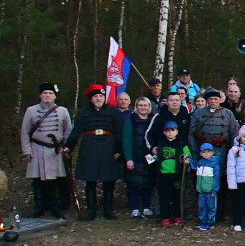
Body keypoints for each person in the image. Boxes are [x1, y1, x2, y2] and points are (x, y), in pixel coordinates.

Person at [64, 84, 123, 220]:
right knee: (90, 180)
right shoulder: (83, 112)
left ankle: (108, 210)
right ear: (91, 98)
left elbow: (119, 132)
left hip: (108, 145)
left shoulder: (113, 112)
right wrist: (69, 147)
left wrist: (118, 150)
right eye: (96, 96)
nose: (98, 98)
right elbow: (76, 131)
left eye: (101, 96)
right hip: (89, 146)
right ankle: (91, 210)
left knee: (109, 180)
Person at [21, 82, 72, 219]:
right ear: (40, 95)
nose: (47, 96)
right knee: (38, 181)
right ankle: (39, 207)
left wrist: (65, 146)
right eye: (45, 93)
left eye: (50, 93)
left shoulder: (62, 111)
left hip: (55, 150)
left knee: (54, 182)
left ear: (54, 96)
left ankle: (55, 208)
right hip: (37, 149)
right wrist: (27, 150)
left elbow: (68, 130)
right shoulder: (31, 111)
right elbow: (25, 132)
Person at [122, 97, 156, 218]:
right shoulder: (130, 120)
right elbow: (126, 140)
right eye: (140, 105)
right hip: (134, 155)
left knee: (148, 183)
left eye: (145, 105)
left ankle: (146, 207)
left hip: (148, 156)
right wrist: (128, 158)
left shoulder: (153, 120)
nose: (143, 108)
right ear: (136, 106)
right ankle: (135, 208)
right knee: (133, 183)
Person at [155, 121, 190, 226]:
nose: (170, 133)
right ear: (164, 132)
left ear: (177, 131)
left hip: (177, 174)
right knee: (164, 196)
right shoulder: (161, 143)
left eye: (172, 130)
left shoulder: (182, 144)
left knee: (177, 196)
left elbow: (188, 156)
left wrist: (186, 159)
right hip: (163, 174)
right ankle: (164, 217)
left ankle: (177, 215)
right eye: (167, 131)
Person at [193, 143, 220, 230]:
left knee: (211, 207)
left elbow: (216, 178)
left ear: (212, 153)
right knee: (202, 207)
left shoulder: (214, 164)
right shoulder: (200, 163)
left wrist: (214, 190)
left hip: (210, 191)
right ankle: (203, 222)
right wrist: (189, 160)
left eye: (208, 152)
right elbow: (194, 168)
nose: (206, 154)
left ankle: (210, 222)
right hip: (201, 191)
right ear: (201, 154)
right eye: (204, 152)